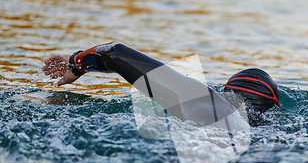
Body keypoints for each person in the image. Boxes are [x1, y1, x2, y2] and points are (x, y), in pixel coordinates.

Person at [43, 42, 279, 128]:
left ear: (226, 93)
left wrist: (76, 63)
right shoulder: (280, 133)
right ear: (271, 109)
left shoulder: (201, 97)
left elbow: (115, 52)